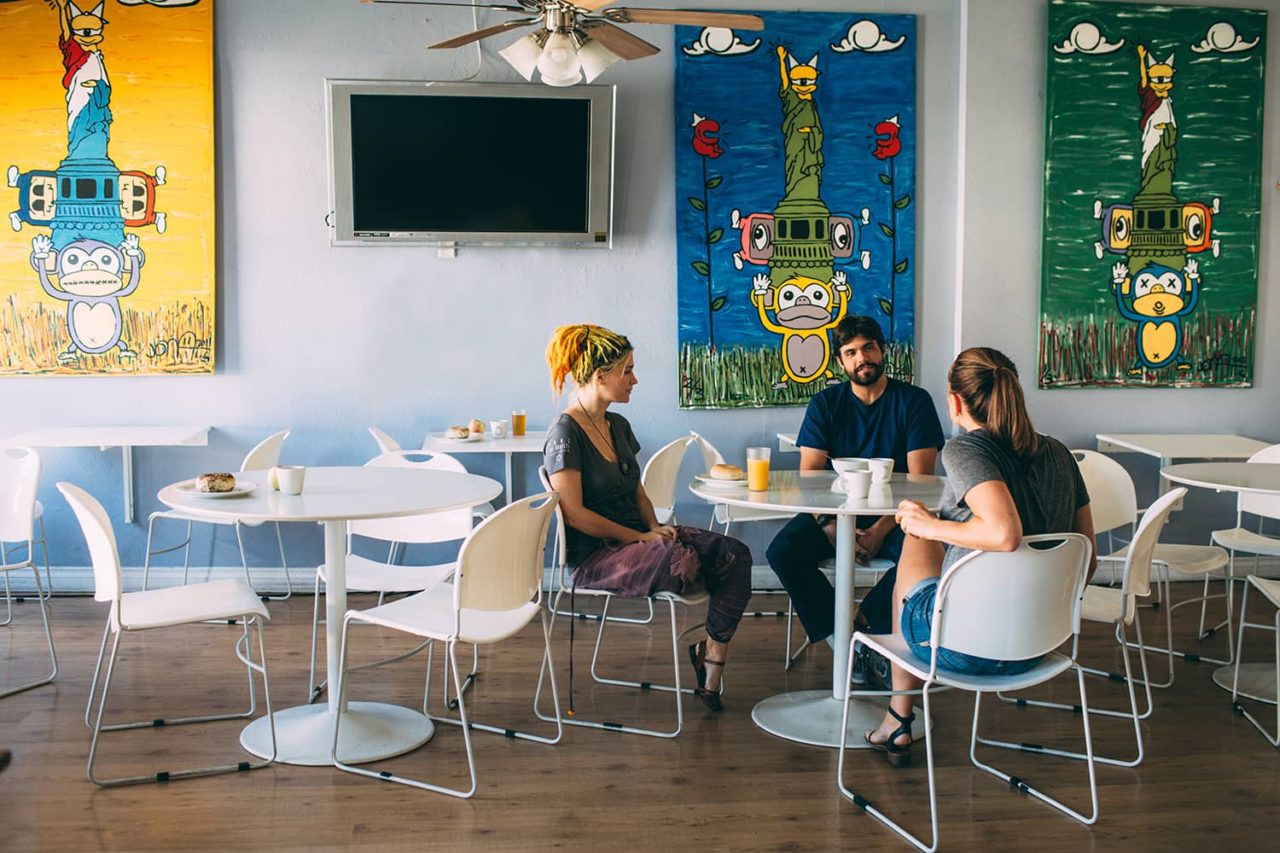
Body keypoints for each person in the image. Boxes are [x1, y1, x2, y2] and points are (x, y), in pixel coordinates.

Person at [864, 347, 1098, 766]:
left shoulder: (965, 450)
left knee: (918, 528)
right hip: (1041, 645)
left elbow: (1004, 533)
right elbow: (1088, 562)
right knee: (937, 526)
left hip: (966, 649)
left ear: (955, 402)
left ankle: (899, 717)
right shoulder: (1061, 454)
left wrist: (926, 525)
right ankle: (898, 713)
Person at [542, 324, 752, 712]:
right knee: (681, 559)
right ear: (600, 376)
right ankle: (679, 565)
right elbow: (574, 515)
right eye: (627, 371)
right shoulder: (565, 435)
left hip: (639, 542)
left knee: (735, 554)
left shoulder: (617, 425)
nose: (634, 380)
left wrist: (652, 528)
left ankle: (711, 660)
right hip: (596, 558)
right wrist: (640, 538)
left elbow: (637, 490)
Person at [765, 315, 945, 649]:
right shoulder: (825, 404)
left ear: (882, 350)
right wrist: (829, 525)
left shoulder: (915, 401)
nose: (861, 358)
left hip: (898, 517)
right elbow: (810, 478)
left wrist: (879, 531)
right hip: (832, 514)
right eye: (851, 352)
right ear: (840, 361)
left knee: (931, 560)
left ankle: (861, 622)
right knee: (782, 552)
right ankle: (839, 634)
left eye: (868, 348)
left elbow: (923, 485)